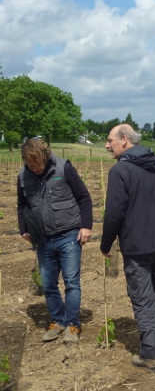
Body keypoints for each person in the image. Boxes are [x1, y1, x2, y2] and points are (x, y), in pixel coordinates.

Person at [100, 124, 155, 373]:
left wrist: (105, 243)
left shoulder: (120, 171)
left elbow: (114, 213)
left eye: (109, 140)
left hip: (136, 245)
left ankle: (150, 356)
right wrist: (151, 215)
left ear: (124, 140)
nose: (106, 145)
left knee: (142, 300)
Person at [17, 139, 93, 343]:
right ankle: (57, 321)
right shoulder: (23, 175)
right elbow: (21, 204)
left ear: (45, 157)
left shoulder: (63, 168)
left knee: (71, 283)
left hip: (69, 235)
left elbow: (83, 197)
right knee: (49, 284)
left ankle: (72, 325)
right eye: (30, 164)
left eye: (37, 164)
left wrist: (86, 226)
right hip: (43, 239)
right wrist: (23, 229)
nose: (34, 168)